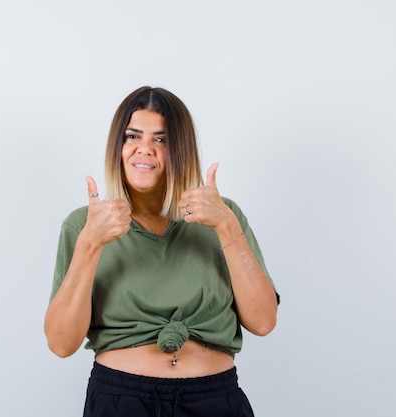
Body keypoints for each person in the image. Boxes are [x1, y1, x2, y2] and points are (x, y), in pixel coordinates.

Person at [44, 86, 279, 417]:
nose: (145, 150)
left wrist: (226, 227)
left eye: (161, 139)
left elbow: (264, 321)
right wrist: (90, 243)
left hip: (214, 400)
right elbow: (61, 344)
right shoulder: (84, 225)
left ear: (181, 149)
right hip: (121, 400)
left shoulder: (221, 215)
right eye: (132, 137)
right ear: (118, 147)